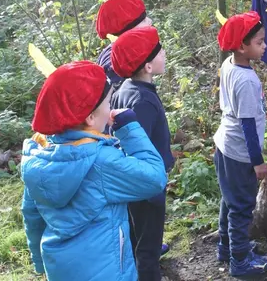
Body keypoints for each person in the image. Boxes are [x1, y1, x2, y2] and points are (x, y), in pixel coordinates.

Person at [21, 61, 167, 281]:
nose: (110, 108)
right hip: (108, 271)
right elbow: (155, 178)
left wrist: (39, 261)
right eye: (108, 103)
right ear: (90, 118)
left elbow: (31, 214)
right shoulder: (100, 161)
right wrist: (129, 128)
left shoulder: (39, 155)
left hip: (61, 269)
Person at [111, 27, 175, 281]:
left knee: (138, 239)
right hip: (146, 186)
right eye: (160, 50)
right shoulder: (143, 100)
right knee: (148, 248)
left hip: (133, 184)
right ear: (148, 66)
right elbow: (140, 149)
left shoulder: (124, 89)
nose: (165, 53)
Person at [213, 11, 267, 276]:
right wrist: (258, 162)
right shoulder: (247, 81)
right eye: (260, 42)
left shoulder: (230, 64)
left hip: (224, 144)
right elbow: (248, 126)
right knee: (241, 208)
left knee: (229, 201)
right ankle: (239, 261)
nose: (265, 46)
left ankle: (226, 248)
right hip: (240, 153)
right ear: (242, 46)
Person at [95, 0, 153, 87]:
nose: (150, 21)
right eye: (143, 20)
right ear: (129, 29)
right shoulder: (117, 62)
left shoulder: (121, 54)